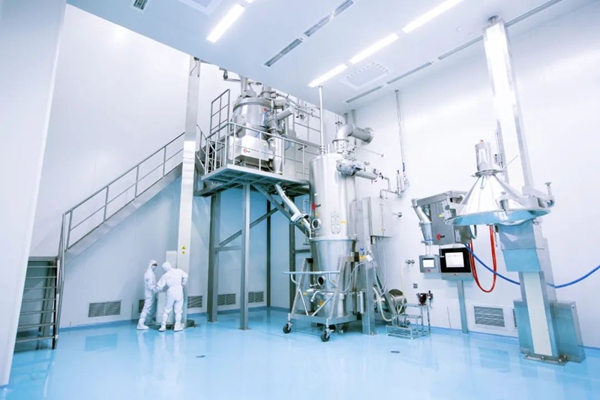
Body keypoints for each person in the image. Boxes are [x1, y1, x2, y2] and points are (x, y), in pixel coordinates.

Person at [155, 261, 188, 332]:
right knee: (178, 311)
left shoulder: (165, 275)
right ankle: (177, 326)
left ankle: (163, 326)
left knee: (166, 310)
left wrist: (154, 290)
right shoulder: (179, 271)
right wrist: (183, 283)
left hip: (170, 292)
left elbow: (159, 286)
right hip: (179, 291)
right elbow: (186, 276)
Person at [137, 260, 158, 330]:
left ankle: (149, 321)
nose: (155, 266)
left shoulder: (151, 272)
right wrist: (156, 289)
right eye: (154, 265)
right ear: (151, 265)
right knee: (147, 308)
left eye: (156, 265)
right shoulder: (149, 273)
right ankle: (140, 324)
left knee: (152, 308)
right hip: (149, 294)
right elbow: (150, 285)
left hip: (151, 293)